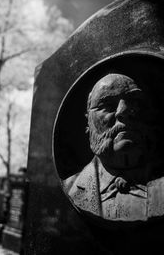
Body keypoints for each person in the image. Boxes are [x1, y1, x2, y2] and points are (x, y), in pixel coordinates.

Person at [63, 73, 164, 222]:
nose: (122, 111)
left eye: (134, 102)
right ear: (88, 123)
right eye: (107, 105)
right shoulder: (71, 188)